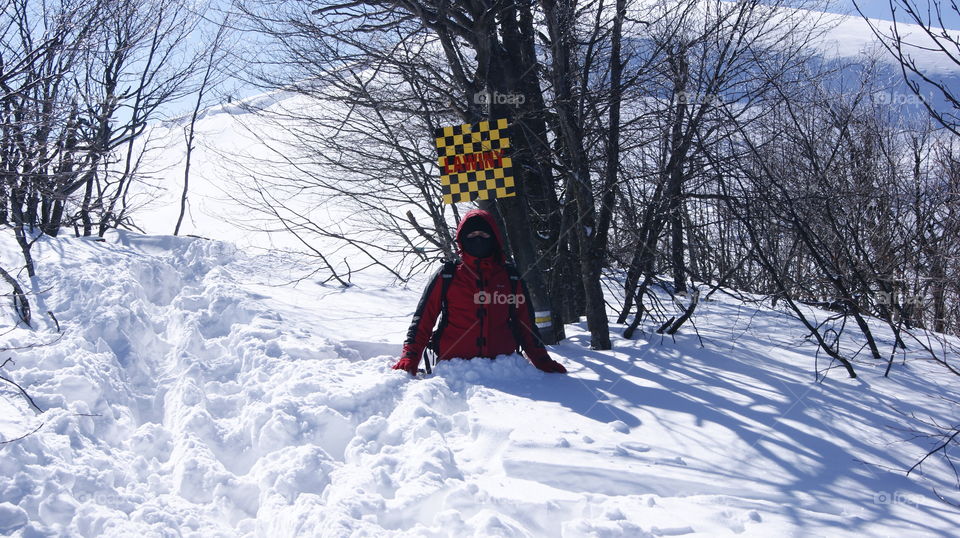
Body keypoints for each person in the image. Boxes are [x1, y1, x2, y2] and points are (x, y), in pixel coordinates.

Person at [392, 209, 567, 375]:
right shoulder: (447, 275)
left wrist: (541, 358)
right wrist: (410, 356)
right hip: (454, 370)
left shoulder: (510, 277)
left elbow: (526, 323)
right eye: (471, 236)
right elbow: (424, 319)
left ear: (495, 239)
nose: (478, 240)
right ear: (462, 239)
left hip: (504, 370)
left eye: (484, 235)